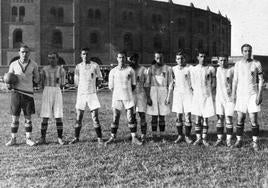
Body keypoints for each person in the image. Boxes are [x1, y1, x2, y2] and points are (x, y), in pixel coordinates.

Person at [105, 51, 142, 145]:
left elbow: (133, 85)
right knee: (115, 117)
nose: (121, 59)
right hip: (117, 97)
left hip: (128, 96)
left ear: (126, 59)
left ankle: (134, 137)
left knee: (131, 117)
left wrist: (126, 91)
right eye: (120, 57)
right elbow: (111, 87)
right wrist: (118, 92)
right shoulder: (113, 71)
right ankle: (112, 137)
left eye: (123, 58)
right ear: (117, 58)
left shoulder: (130, 70)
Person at [5, 44, 40, 146]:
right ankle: (13, 139)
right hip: (16, 93)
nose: (25, 54)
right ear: (19, 53)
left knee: (28, 118)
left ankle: (28, 139)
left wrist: (38, 77)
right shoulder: (13, 64)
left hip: (28, 94)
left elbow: (37, 79)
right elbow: (8, 78)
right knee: (14, 118)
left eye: (27, 52)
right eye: (22, 52)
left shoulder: (34, 64)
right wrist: (8, 84)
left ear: (29, 53)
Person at [231, 44, 264, 151]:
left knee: (253, 119)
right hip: (241, 94)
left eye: (249, 51)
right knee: (240, 118)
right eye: (245, 51)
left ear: (251, 51)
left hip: (252, 94)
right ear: (242, 52)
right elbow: (235, 80)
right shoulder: (238, 64)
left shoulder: (256, 63)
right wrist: (233, 94)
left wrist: (259, 94)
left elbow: (261, 80)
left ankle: (255, 142)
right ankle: (239, 140)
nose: (247, 53)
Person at [69, 48, 104, 145]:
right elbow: (76, 83)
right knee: (79, 117)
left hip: (92, 94)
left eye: (87, 54)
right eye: (83, 54)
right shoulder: (78, 67)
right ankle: (76, 137)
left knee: (95, 117)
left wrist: (94, 87)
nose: (85, 56)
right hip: (81, 95)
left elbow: (100, 79)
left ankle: (99, 138)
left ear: (90, 55)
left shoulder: (95, 65)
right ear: (81, 55)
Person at [38, 52, 66, 145]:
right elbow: (41, 83)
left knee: (58, 115)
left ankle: (59, 138)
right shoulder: (44, 69)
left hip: (57, 91)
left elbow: (62, 84)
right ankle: (43, 138)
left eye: (53, 58)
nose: (51, 60)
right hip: (47, 91)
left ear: (57, 59)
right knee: (45, 115)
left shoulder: (61, 70)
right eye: (49, 58)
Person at [145, 52, 172, 142]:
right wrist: (148, 97)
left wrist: (168, 97)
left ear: (163, 58)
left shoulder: (168, 68)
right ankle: (154, 136)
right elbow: (147, 84)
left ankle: (162, 136)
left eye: (161, 58)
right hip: (153, 92)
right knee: (154, 116)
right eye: (157, 58)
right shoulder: (150, 69)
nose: (159, 60)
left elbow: (170, 83)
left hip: (163, 92)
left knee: (162, 115)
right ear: (155, 58)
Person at [166, 51, 193, 144]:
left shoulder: (190, 68)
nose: (180, 60)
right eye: (178, 58)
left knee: (188, 116)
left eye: (182, 58)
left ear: (185, 59)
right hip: (177, 94)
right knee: (178, 116)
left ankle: (187, 136)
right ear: (175, 59)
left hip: (188, 94)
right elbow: (171, 84)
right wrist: (168, 97)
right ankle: (180, 135)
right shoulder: (173, 69)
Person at [190, 49, 216, 146]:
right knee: (197, 118)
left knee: (205, 118)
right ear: (197, 57)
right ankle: (198, 138)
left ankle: (204, 138)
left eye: (204, 56)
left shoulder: (210, 69)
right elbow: (191, 83)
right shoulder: (193, 69)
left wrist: (209, 93)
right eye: (201, 56)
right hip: (197, 95)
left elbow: (213, 83)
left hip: (207, 95)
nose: (203, 58)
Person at [214, 54, 234, 147]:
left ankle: (229, 140)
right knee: (220, 118)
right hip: (219, 98)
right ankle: (219, 139)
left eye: (225, 60)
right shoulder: (216, 70)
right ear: (218, 61)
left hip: (229, 99)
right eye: (221, 60)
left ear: (228, 60)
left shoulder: (231, 70)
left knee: (228, 118)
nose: (223, 62)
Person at [128, 53, 148, 142]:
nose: (134, 61)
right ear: (130, 60)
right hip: (131, 95)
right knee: (132, 115)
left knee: (142, 115)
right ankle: (134, 135)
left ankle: (143, 135)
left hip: (141, 94)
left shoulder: (143, 69)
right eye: (132, 60)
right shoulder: (128, 70)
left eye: (136, 59)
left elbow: (147, 83)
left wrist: (148, 96)